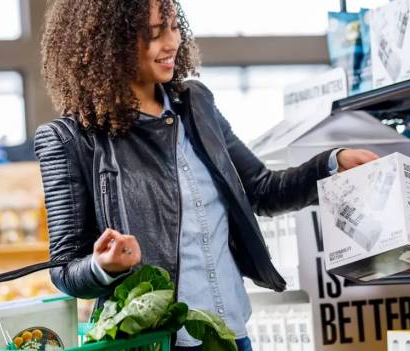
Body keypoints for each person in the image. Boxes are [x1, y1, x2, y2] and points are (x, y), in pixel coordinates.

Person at [34, 0, 379, 349]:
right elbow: (63, 269)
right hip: (160, 340)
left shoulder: (196, 105)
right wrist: (104, 265)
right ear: (111, 42)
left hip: (233, 335)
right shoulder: (70, 140)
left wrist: (331, 165)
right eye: (154, 34)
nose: (172, 42)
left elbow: (262, 190)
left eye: (173, 27)